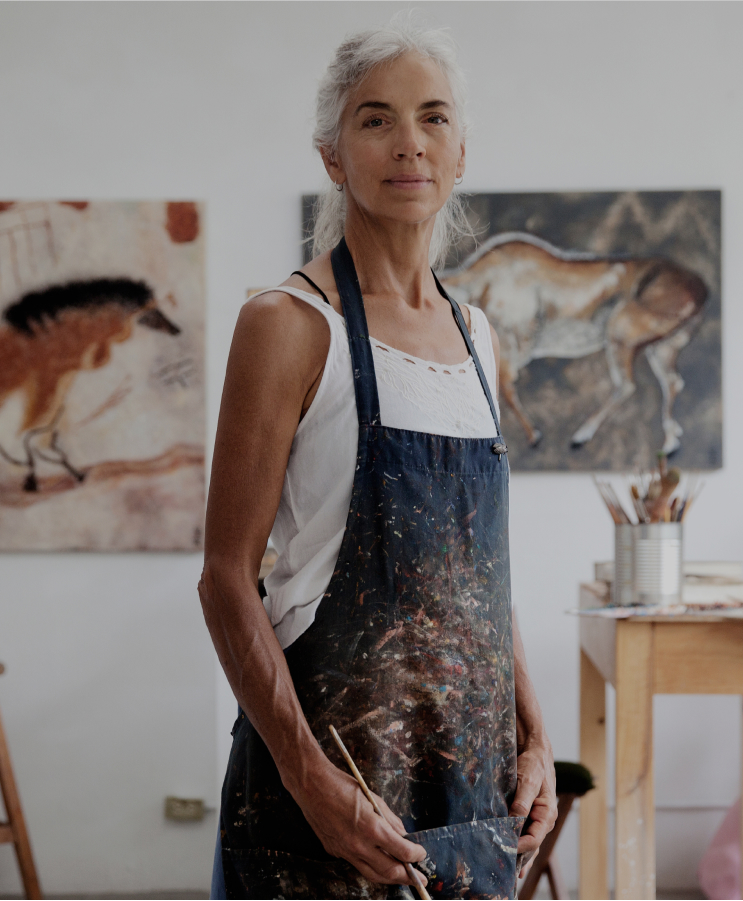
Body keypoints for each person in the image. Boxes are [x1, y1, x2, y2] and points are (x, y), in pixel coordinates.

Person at [197, 17, 556, 899]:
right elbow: (224, 578)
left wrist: (534, 734)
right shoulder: (287, 325)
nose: (408, 144)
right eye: (375, 119)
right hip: (329, 787)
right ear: (332, 154)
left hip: (468, 788)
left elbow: (477, 578)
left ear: (461, 150)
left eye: (433, 118)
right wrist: (309, 781)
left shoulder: (479, 338)